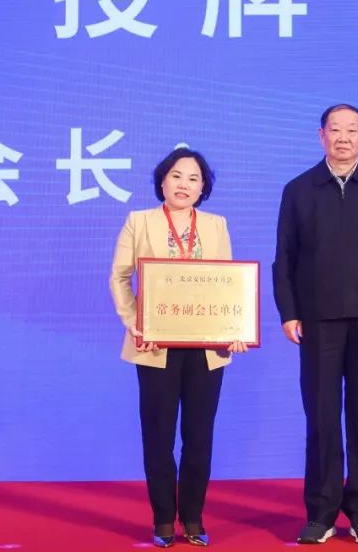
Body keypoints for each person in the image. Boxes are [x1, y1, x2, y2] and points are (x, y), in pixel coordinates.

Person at [273, 104, 358, 545]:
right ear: (321, 136)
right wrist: (288, 311)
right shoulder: (299, 189)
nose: (343, 138)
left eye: (352, 130)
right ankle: (320, 512)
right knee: (321, 417)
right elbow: (284, 258)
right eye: (335, 130)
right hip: (318, 320)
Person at [109, 148, 248, 549]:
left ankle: (193, 517)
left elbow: (228, 285)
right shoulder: (139, 221)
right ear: (162, 181)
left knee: (199, 436)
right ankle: (162, 520)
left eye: (193, 178)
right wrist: (135, 322)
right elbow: (119, 277)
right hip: (155, 346)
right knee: (158, 436)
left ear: (203, 188)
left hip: (206, 347)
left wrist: (234, 328)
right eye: (176, 176)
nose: (183, 185)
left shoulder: (216, 225)